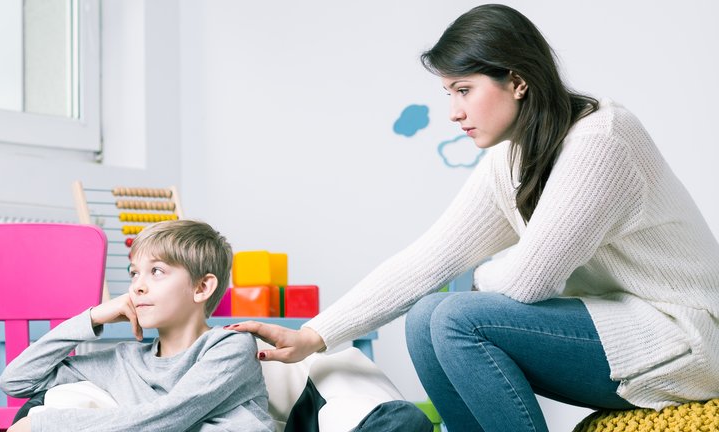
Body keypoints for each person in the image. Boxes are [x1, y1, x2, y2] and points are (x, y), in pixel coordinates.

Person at [229, 4, 719, 431]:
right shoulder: (512, 157)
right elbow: (426, 260)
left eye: (463, 89)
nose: (453, 111)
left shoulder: (601, 140)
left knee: (457, 317)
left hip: (688, 339)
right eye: (448, 92)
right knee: (424, 319)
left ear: (519, 81)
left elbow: (530, 280)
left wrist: (478, 280)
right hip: (623, 327)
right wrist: (314, 335)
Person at [0, 219, 275, 432]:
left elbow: (170, 416)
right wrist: (93, 317)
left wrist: (44, 425)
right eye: (134, 273)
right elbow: (16, 380)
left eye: (156, 271)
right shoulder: (125, 361)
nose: (137, 286)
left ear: (202, 287)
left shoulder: (231, 345)